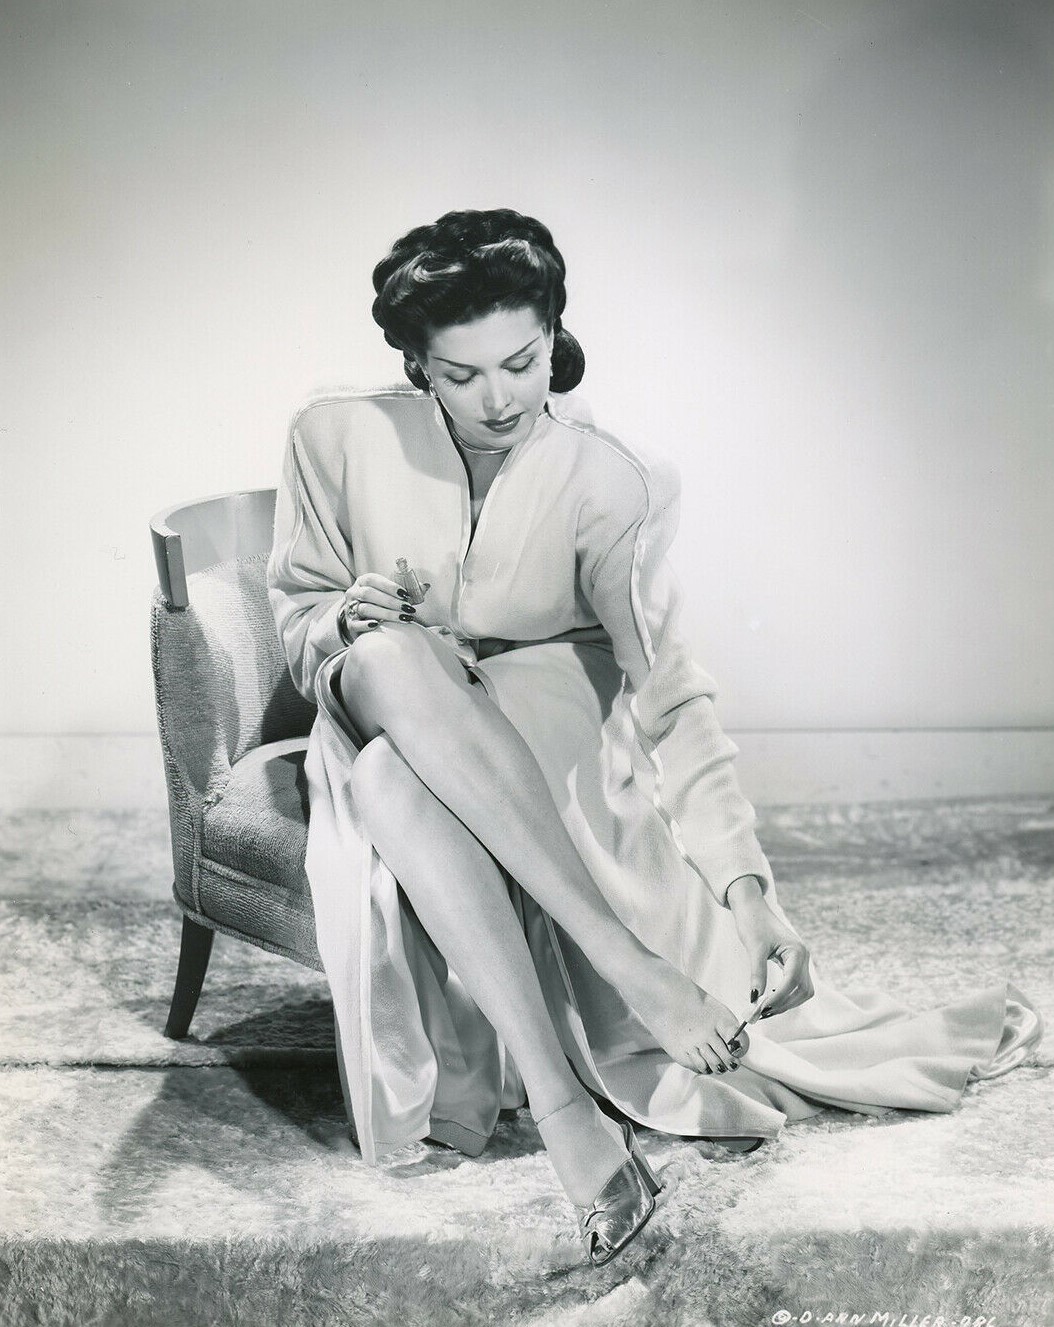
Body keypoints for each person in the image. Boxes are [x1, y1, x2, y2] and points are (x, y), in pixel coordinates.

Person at [266, 208, 1042, 1267]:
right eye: (460, 375)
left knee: (397, 781)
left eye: (523, 362)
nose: (498, 399)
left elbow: (672, 696)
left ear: (554, 336)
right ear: (416, 365)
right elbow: (299, 621)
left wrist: (748, 891)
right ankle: (626, 962)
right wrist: (341, 621)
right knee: (393, 660)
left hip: (515, 752)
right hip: (368, 700)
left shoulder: (611, 481)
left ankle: (564, 1116)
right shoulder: (333, 436)